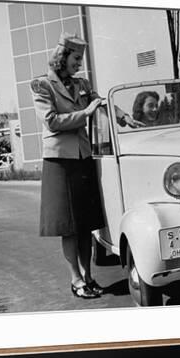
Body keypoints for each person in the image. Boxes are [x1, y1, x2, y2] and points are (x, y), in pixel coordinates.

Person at [30, 33, 138, 299]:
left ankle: (88, 276)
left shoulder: (82, 83)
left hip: (82, 158)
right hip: (59, 162)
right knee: (68, 226)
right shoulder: (42, 85)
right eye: (76, 58)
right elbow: (52, 121)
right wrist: (85, 114)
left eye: (81, 59)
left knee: (85, 224)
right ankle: (75, 279)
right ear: (63, 57)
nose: (79, 64)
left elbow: (100, 102)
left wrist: (125, 117)